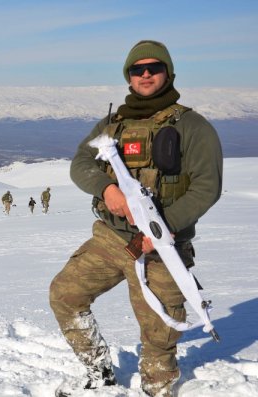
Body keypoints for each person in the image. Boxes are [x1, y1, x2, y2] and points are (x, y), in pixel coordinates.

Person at [49, 40, 222, 397]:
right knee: (65, 294)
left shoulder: (192, 126)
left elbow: (207, 187)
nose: (145, 74)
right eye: (137, 69)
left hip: (163, 245)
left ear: (168, 73)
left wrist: (161, 229)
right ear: (128, 76)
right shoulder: (113, 124)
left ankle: (156, 389)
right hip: (112, 239)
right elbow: (81, 164)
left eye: (153, 68)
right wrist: (106, 190)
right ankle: (98, 370)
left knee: (159, 333)